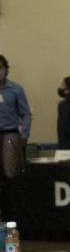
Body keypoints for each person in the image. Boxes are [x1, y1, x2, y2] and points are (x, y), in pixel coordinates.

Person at [0, 54, 31, 217]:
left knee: (11, 178)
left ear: (6, 70)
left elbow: (26, 114)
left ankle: (10, 224)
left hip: (10, 135)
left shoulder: (16, 89)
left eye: (0, 68)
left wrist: (24, 134)